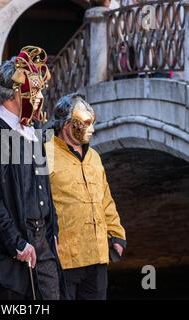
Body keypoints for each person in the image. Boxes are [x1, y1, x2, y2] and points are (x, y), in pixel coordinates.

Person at [0, 46, 65, 300]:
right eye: (33, 92)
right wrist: (17, 243)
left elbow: (44, 186)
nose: (38, 98)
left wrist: (53, 230)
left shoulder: (33, 129)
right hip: (11, 250)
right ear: (14, 94)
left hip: (43, 243)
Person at [45, 93, 126, 300]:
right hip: (64, 256)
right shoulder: (45, 154)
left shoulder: (94, 157)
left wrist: (116, 234)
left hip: (97, 253)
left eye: (93, 122)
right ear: (67, 125)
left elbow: (105, 198)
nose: (92, 129)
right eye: (86, 123)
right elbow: (36, 202)